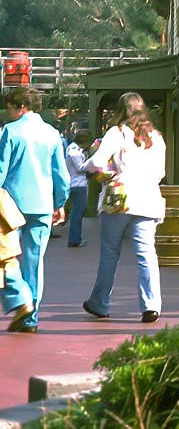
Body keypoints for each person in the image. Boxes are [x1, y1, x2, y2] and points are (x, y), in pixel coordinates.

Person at [82, 92, 166, 324]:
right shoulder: (156, 138)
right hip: (148, 200)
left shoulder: (117, 133)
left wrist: (89, 168)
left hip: (119, 200)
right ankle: (151, 306)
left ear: (121, 111)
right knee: (146, 254)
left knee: (110, 253)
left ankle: (99, 303)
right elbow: (161, 173)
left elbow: (97, 162)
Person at [0, 86, 69, 333]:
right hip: (42, 205)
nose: (7, 113)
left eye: (9, 107)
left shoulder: (10, 131)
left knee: (5, 257)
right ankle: (31, 318)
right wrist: (60, 203)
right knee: (34, 262)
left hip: (10, 206)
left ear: (20, 106)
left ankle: (19, 298)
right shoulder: (52, 134)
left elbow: (1, 170)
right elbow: (61, 174)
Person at [64, 129, 93, 247]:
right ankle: (75, 238)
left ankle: (75, 237)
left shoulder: (73, 148)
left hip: (76, 183)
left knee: (77, 210)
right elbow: (80, 167)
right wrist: (92, 162)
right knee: (78, 211)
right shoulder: (74, 151)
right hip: (77, 183)